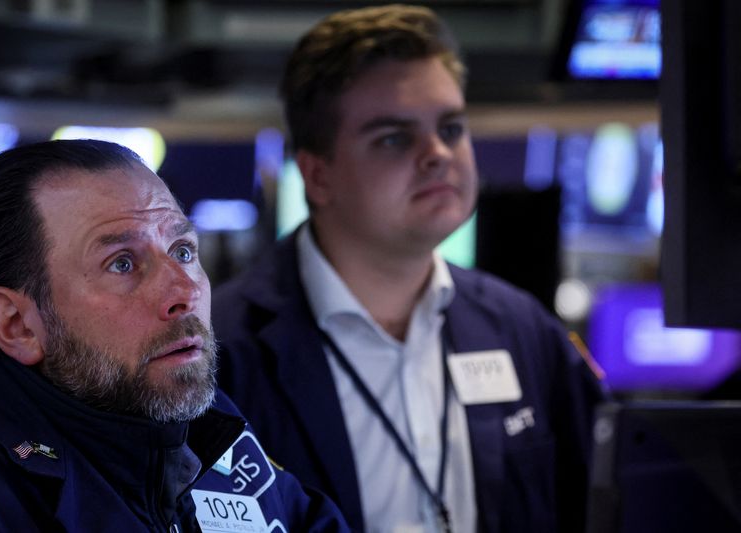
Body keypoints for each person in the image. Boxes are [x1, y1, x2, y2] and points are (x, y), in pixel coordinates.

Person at [213, 5, 607, 533]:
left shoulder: (523, 329)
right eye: (394, 138)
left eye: (452, 127)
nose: (438, 154)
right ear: (318, 175)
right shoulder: (219, 351)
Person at [0, 139, 348, 532]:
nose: (184, 292)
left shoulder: (206, 430)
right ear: (18, 324)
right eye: (121, 264)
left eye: (183, 251)